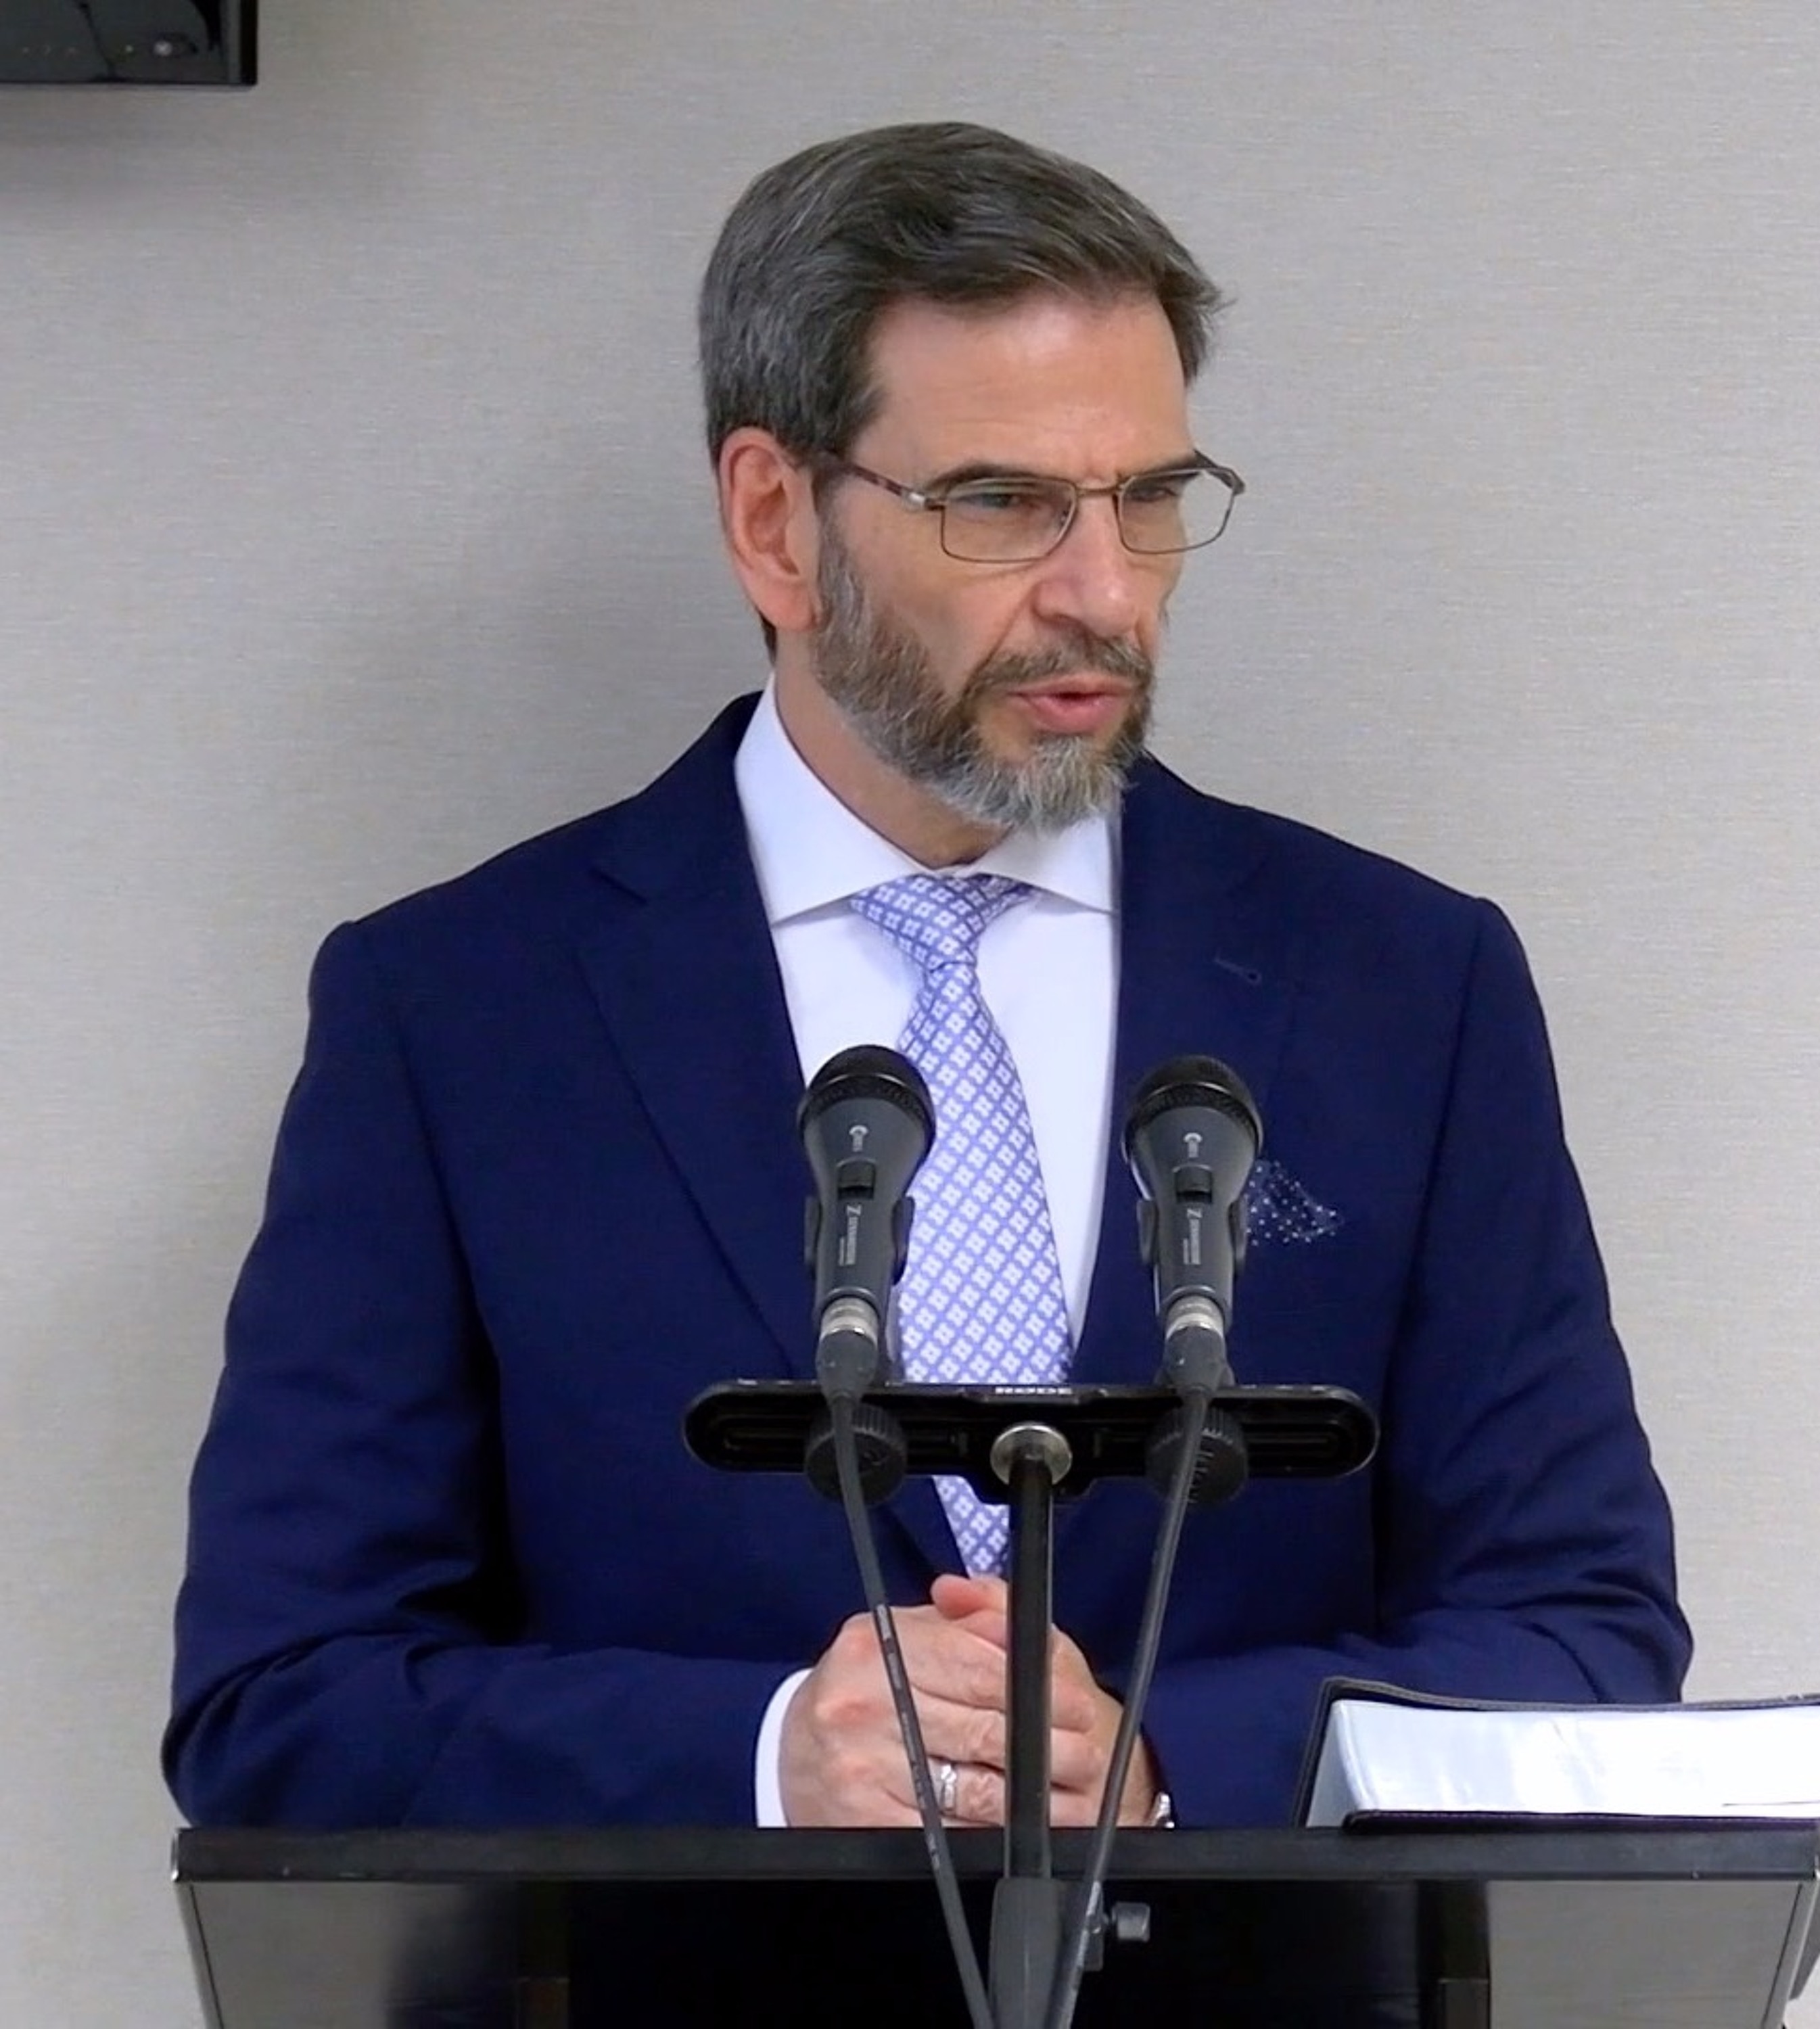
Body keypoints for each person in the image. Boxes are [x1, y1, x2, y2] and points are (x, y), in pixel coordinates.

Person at [164, 122, 1689, 1835]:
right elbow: (282, 1702)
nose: (1104, 594)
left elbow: (1583, 1638)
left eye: (1151, 499)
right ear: (775, 522)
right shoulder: (456, 1014)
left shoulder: (1405, 987)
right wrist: (765, 1757)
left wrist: (1170, 1761)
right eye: (1002, 504)